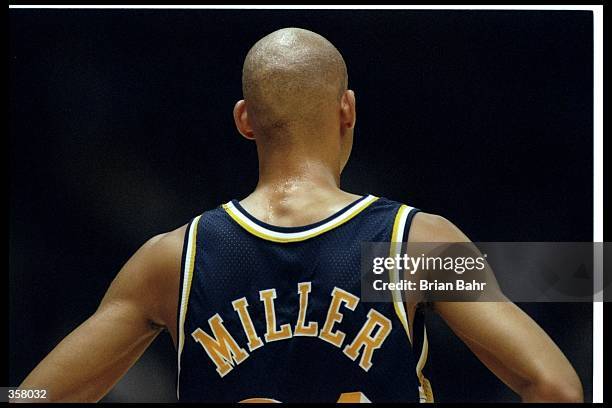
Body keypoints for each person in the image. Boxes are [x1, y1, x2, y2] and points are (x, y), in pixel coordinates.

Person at [15, 27, 583, 403]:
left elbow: (33, 398)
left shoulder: (173, 259)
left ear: (244, 120)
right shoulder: (409, 246)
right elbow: (554, 386)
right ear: (348, 108)